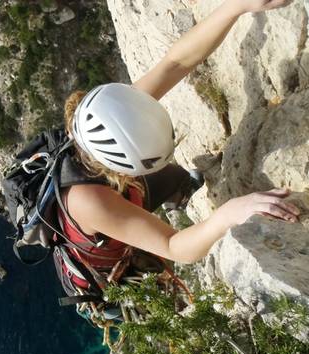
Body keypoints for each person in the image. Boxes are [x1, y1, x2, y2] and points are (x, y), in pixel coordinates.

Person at [59, 0, 300, 268]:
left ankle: (179, 193)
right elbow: (172, 246)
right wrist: (228, 214)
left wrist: (237, 6)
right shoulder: (92, 203)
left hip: (118, 183)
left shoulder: (117, 114)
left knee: (176, 176)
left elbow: (176, 62)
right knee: (151, 256)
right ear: (128, 171)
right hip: (104, 254)